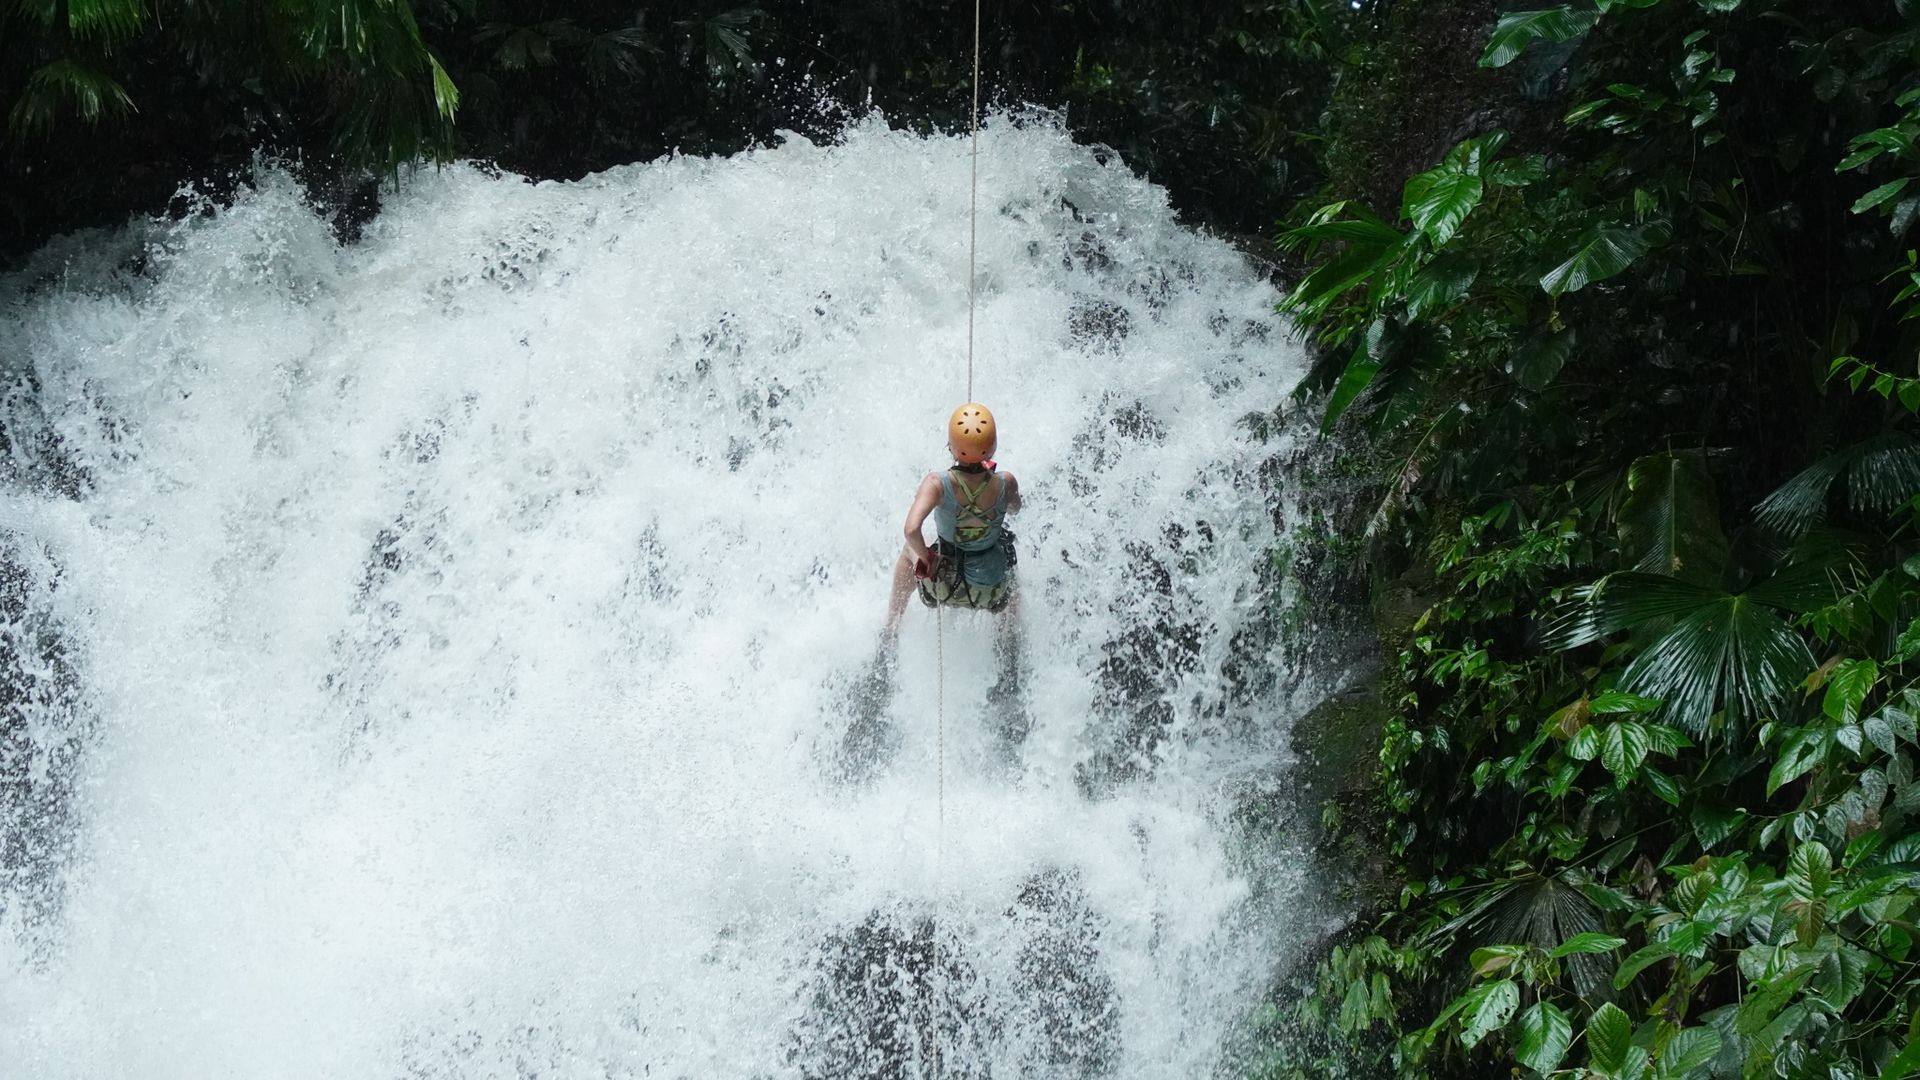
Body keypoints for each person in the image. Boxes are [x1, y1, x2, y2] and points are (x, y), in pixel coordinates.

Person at [884, 402, 1021, 639]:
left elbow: (911, 530)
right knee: (1012, 572)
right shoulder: (1006, 482)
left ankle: (890, 629)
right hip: (991, 591)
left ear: (951, 446)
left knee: (909, 550)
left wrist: (928, 560)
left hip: (941, 584)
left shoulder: (937, 483)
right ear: (992, 446)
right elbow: (1015, 509)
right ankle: (1009, 639)